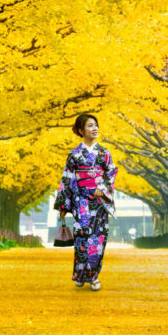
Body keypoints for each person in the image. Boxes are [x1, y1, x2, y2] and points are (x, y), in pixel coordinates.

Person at [54, 113, 117, 291]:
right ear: (81, 130)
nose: (94, 128)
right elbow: (67, 177)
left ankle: (94, 276)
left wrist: (103, 188)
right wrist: (63, 205)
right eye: (90, 126)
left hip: (99, 202)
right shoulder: (74, 155)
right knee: (82, 237)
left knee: (98, 239)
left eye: (96, 125)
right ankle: (81, 274)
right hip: (81, 200)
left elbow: (111, 172)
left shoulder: (105, 153)